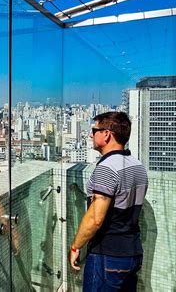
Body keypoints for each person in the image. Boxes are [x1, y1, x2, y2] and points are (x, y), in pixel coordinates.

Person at [69, 112, 148, 291]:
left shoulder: (107, 168)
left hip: (108, 255)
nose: (91, 134)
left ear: (106, 134)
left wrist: (75, 247)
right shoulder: (137, 166)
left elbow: (95, 219)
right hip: (132, 252)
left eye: (94, 130)